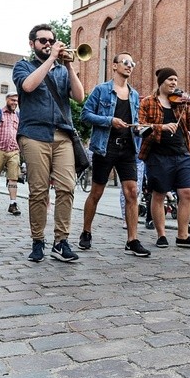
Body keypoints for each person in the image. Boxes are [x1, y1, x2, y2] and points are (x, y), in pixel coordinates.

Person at [13, 23, 84, 263]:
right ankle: (37, 240)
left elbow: (79, 96)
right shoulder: (22, 66)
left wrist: (68, 65)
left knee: (67, 187)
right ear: (32, 43)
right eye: (42, 40)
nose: (47, 44)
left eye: (50, 40)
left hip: (62, 134)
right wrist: (51, 58)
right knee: (39, 191)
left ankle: (61, 241)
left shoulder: (62, 70)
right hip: (34, 134)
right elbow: (28, 86)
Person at [79, 52, 150, 257]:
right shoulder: (102, 90)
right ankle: (86, 231)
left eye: (132, 63)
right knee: (97, 192)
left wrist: (140, 129)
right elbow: (86, 114)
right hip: (105, 146)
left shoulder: (134, 94)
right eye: (125, 62)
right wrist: (109, 120)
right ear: (114, 66)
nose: (129, 66)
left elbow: (134, 120)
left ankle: (132, 239)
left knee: (132, 192)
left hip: (128, 148)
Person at [138, 68, 190, 250]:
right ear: (161, 82)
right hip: (158, 155)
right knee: (158, 194)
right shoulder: (148, 102)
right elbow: (140, 128)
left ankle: (183, 236)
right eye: (170, 79)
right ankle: (161, 235)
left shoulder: (180, 103)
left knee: (187, 194)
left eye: (176, 79)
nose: (174, 83)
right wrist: (161, 127)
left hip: (182, 153)